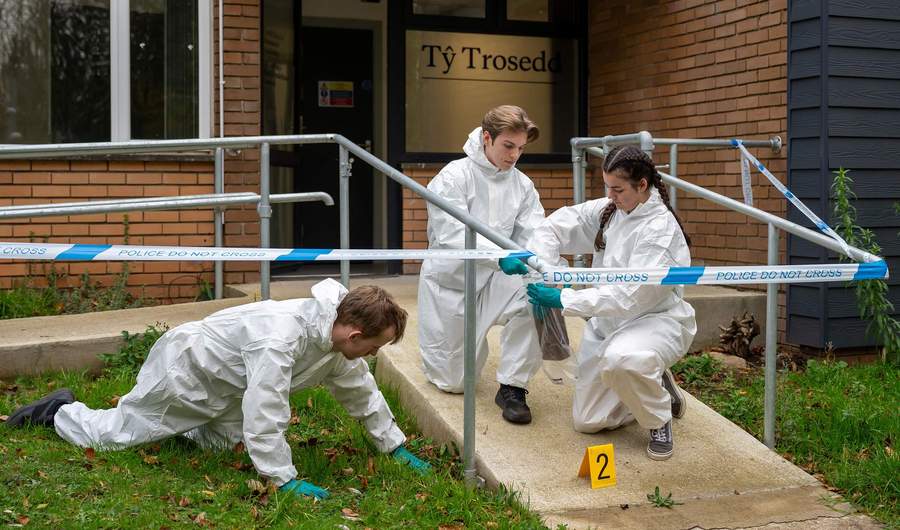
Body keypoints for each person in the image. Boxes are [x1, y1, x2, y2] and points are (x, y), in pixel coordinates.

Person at [6, 279, 430, 498]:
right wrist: (282, 479)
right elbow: (266, 408)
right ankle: (59, 411)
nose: (372, 356)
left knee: (217, 447)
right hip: (188, 375)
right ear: (354, 334)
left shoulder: (335, 344)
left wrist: (393, 446)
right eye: (374, 347)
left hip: (227, 388)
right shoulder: (281, 338)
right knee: (117, 436)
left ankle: (189, 429)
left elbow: (360, 391)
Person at [511, 145, 696, 460]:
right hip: (607, 324)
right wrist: (540, 265)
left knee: (623, 359)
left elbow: (630, 297)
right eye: (607, 187)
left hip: (653, 322)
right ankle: (651, 383)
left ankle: (659, 417)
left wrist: (564, 298)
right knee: (589, 421)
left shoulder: (660, 232)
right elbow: (555, 226)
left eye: (618, 189)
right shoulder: (612, 210)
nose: (610, 195)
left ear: (642, 186)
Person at [417, 105, 545, 424]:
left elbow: (535, 232)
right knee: (455, 383)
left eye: (521, 148)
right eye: (508, 146)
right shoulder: (454, 176)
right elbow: (451, 232)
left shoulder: (522, 185)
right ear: (487, 138)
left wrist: (545, 266)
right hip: (452, 286)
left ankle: (513, 386)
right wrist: (500, 255)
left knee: (537, 295)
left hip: (495, 280)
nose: (515, 155)